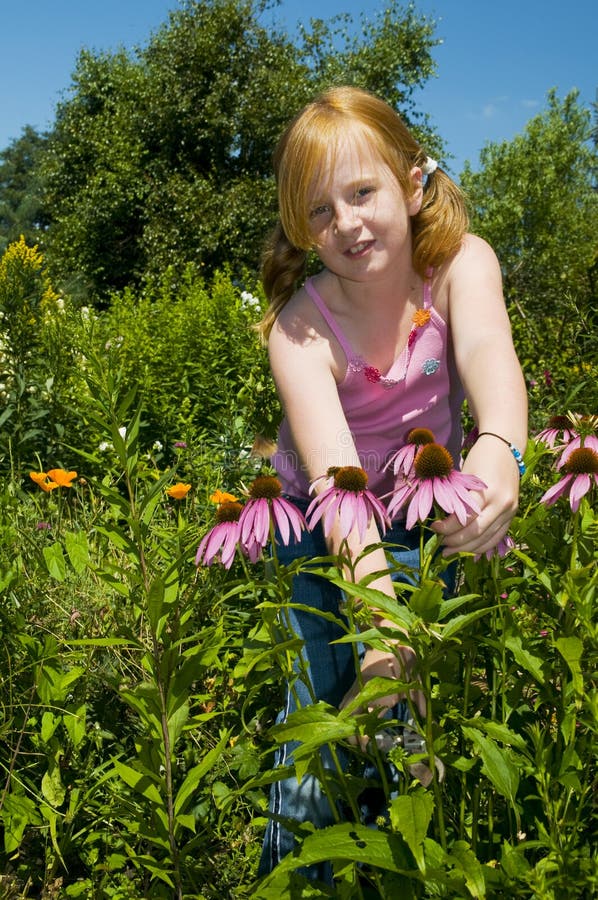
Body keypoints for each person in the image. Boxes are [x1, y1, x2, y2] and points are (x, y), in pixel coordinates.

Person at [255, 85, 528, 883]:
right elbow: (339, 495)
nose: (347, 223)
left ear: (412, 181)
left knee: (430, 707)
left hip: (425, 503)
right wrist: (378, 641)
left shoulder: (460, 265)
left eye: (363, 191)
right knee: (325, 691)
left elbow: (489, 357)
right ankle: (295, 870)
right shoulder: (299, 328)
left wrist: (499, 453)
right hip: (324, 519)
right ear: (301, 229)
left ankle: (401, 865)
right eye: (318, 211)